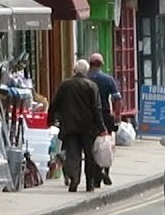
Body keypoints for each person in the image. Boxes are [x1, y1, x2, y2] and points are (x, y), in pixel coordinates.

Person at [47, 59, 106, 192]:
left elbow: (54, 104)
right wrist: (102, 128)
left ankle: (74, 180)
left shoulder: (65, 85)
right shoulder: (91, 86)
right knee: (90, 155)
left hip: (70, 126)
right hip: (88, 127)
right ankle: (89, 183)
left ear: (74, 70)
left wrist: (50, 120)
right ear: (86, 71)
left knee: (73, 154)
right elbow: (97, 109)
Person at [87, 52, 122, 187]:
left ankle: (95, 175)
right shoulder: (108, 79)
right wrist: (117, 114)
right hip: (105, 115)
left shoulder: (85, 78)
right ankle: (105, 171)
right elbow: (116, 98)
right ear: (101, 64)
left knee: (91, 146)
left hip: (89, 117)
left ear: (90, 64)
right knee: (106, 145)